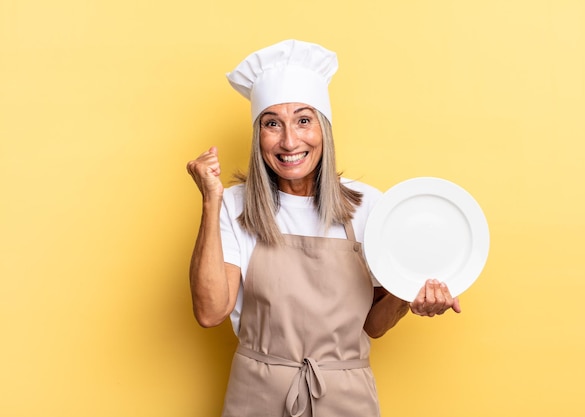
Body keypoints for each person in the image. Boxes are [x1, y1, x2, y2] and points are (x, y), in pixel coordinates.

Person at [186, 39, 461, 417]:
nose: (289, 141)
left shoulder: (369, 206)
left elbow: (374, 326)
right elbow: (211, 312)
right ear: (258, 136)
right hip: (257, 397)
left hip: (346, 398)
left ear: (323, 129)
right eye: (272, 124)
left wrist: (408, 297)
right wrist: (209, 199)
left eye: (303, 120)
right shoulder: (234, 204)